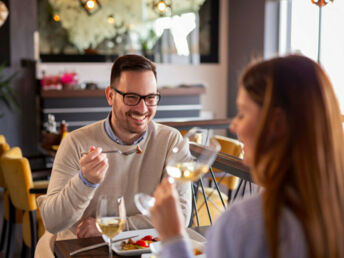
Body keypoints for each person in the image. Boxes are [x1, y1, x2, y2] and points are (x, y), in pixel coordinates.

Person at [150, 55, 344, 258]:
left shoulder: (242, 224)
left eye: (242, 114)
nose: (234, 126)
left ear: (275, 123)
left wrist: (173, 239)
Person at [35, 54, 192, 257]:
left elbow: (180, 215)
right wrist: (85, 182)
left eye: (150, 98)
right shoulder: (75, 143)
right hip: (82, 251)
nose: (143, 108)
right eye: (132, 97)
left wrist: (106, 227)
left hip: (142, 251)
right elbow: (53, 222)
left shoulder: (171, 142)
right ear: (110, 95)